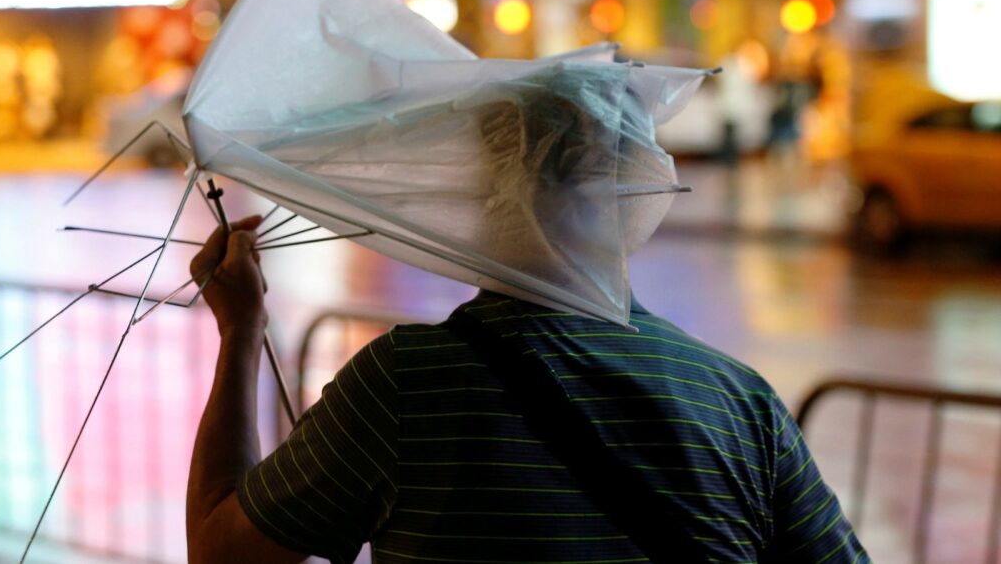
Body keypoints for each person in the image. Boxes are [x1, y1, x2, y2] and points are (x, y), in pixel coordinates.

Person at [184, 75, 869, 563]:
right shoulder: (738, 400)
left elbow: (222, 553)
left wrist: (241, 331)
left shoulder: (404, 386)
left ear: (486, 194)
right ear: (632, 194)